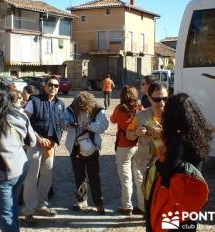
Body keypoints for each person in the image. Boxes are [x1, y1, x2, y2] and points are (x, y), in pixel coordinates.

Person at [149, 93, 213, 232]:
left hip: (175, 198)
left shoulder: (180, 138)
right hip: (192, 194)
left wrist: (158, 161)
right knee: (189, 228)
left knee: (172, 231)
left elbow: (167, 169)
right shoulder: (200, 133)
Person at [0, 83, 36, 232]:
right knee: (11, 209)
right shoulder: (20, 115)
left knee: (6, 214)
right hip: (20, 167)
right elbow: (31, 141)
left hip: (2, 171)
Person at [22, 75, 65, 223]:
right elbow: (24, 122)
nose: (53, 87)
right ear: (44, 86)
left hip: (50, 146)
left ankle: (42, 205)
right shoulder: (34, 101)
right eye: (50, 85)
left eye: (56, 86)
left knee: (47, 177)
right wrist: (37, 138)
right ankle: (29, 209)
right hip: (35, 144)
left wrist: (56, 139)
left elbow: (61, 123)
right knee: (31, 178)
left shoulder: (60, 103)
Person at [126, 82, 168, 213]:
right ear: (149, 98)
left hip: (167, 163)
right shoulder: (141, 116)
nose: (161, 103)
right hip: (146, 164)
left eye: (165, 99)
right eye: (157, 99)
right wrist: (136, 133)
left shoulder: (173, 115)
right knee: (148, 195)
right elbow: (129, 135)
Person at [63, 91, 108, 214]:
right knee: (79, 176)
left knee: (94, 176)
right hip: (75, 147)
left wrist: (90, 126)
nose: (82, 109)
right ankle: (82, 201)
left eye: (84, 107)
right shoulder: (71, 109)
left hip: (92, 148)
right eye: (80, 107)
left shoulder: (97, 110)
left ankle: (99, 203)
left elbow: (104, 125)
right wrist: (69, 125)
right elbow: (63, 122)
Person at [110, 85, 144, 216]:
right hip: (138, 145)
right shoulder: (140, 109)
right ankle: (142, 206)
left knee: (126, 178)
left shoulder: (119, 109)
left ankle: (127, 206)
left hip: (124, 145)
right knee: (139, 177)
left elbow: (113, 120)